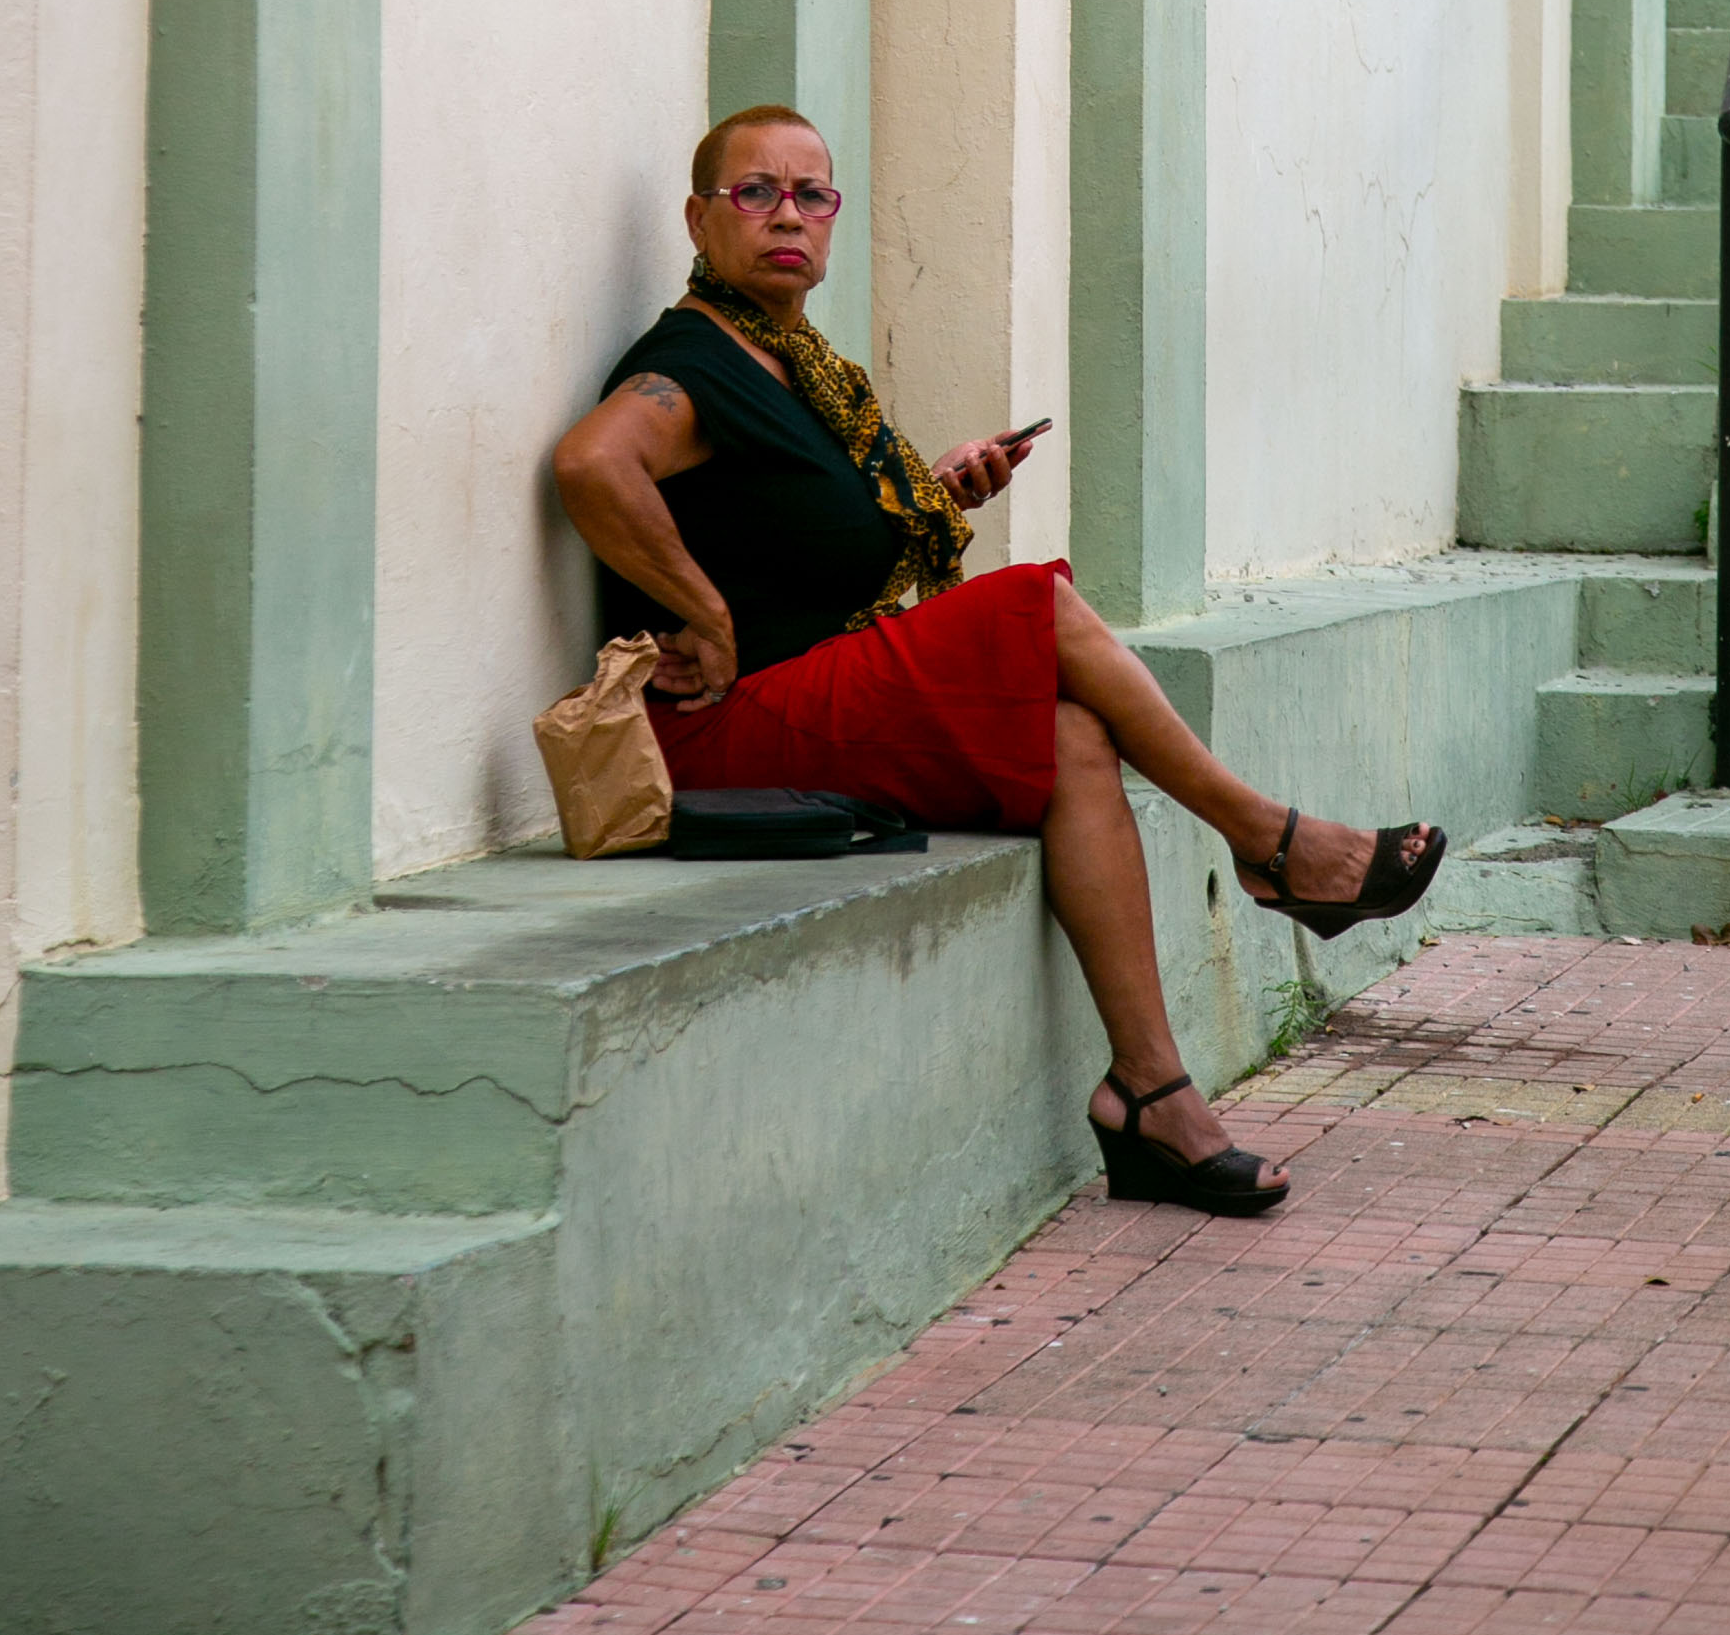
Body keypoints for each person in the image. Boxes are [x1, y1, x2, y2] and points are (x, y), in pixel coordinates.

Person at [552, 105, 1446, 1217]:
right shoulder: (690, 363)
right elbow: (592, 465)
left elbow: (798, 538)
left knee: (1070, 735)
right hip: (712, 733)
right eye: (756, 193)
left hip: (803, 704)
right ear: (699, 219)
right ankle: (1270, 840)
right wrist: (707, 615)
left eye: (812, 195)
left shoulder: (795, 367)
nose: (788, 216)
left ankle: (1152, 1096)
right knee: (1037, 603)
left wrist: (929, 490)